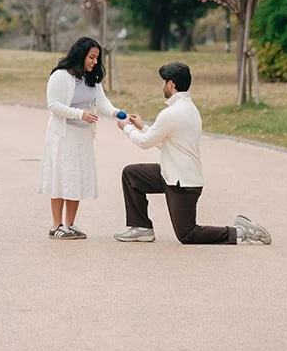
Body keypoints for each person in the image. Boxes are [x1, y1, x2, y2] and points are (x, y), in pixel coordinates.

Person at [114, 61, 271, 245]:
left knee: (188, 235)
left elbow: (145, 143)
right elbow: (168, 144)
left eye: (163, 82)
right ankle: (141, 228)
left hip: (183, 184)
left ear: (171, 84)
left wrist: (127, 129)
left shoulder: (171, 113)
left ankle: (240, 231)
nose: (162, 86)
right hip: (171, 175)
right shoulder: (188, 109)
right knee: (132, 175)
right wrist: (142, 126)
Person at [39, 36, 118, 239]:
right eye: (91, 57)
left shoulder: (92, 79)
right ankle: (56, 226)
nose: (94, 62)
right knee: (61, 177)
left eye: (96, 58)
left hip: (83, 136)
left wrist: (118, 114)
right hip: (63, 135)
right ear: (80, 55)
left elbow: (102, 102)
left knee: (76, 178)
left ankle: (70, 224)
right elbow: (53, 105)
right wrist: (80, 114)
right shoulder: (59, 76)